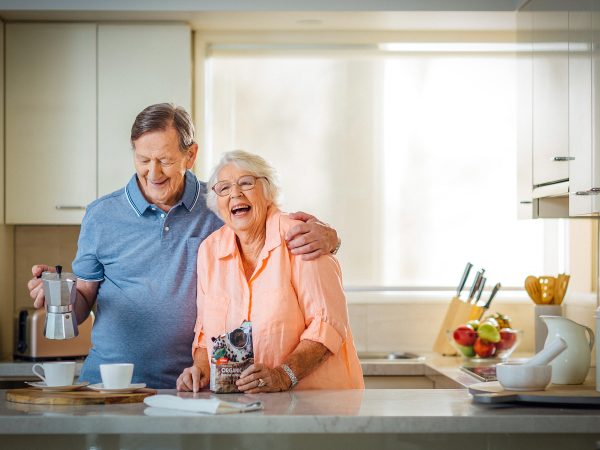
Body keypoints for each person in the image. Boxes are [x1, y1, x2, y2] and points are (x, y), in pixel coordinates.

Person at [27, 103, 340, 389]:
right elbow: (82, 301)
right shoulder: (101, 215)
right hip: (110, 382)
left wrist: (331, 238)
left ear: (190, 155)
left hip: (193, 384)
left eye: (164, 160)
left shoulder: (219, 204)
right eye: (143, 159)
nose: (153, 172)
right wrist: (60, 297)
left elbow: (270, 229)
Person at [176, 150, 363, 393]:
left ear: (268, 192)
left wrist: (284, 375)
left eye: (246, 183)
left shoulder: (301, 237)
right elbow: (205, 333)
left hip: (316, 404)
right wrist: (201, 370)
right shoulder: (210, 251)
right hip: (245, 408)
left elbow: (327, 326)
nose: (235, 193)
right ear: (218, 204)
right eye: (224, 188)